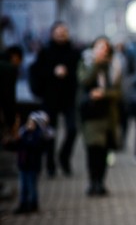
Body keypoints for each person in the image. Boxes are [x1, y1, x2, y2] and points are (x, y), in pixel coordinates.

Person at [30, 21, 80, 177]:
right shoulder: (45, 52)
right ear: (53, 34)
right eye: (58, 33)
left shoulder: (74, 52)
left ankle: (64, 157)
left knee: (72, 129)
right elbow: (37, 72)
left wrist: (67, 73)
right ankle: (50, 164)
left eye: (64, 32)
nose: (61, 35)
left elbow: (79, 74)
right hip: (50, 98)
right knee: (50, 133)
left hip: (69, 99)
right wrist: (53, 72)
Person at [77, 36, 122, 196]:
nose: (101, 50)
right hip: (90, 114)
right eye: (98, 47)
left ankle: (101, 182)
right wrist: (95, 63)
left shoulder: (114, 67)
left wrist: (104, 93)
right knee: (92, 149)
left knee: (104, 150)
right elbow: (84, 81)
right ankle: (92, 182)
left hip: (108, 115)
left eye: (104, 47)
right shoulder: (86, 63)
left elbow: (118, 93)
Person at [7, 111, 54, 214]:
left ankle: (33, 204)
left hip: (33, 165)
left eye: (32, 123)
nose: (29, 125)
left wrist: (22, 140)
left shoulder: (37, 136)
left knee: (32, 186)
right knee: (23, 186)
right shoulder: (23, 134)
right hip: (23, 164)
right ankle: (23, 204)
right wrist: (12, 142)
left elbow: (35, 146)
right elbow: (16, 147)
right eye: (28, 123)